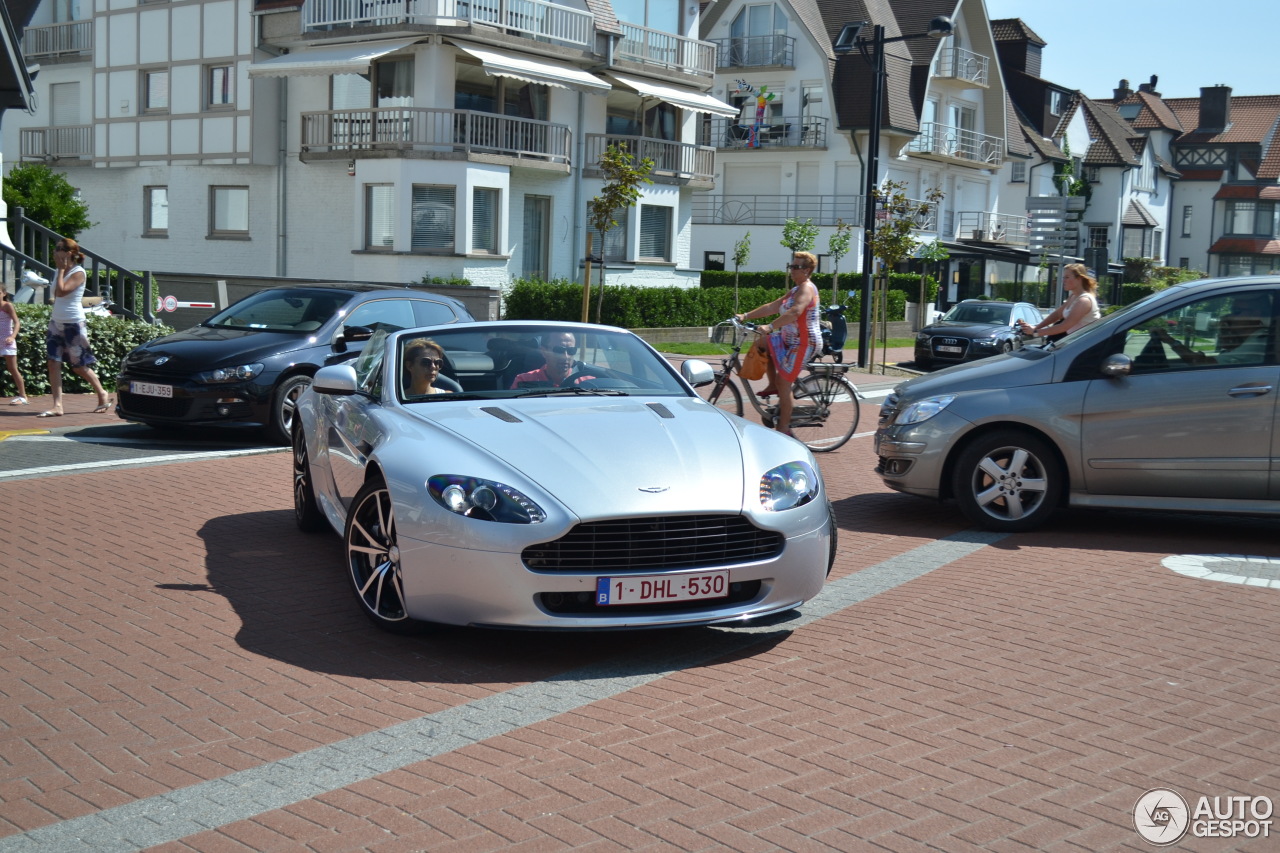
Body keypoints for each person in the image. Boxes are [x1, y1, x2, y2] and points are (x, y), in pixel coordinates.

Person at [734, 250, 821, 437]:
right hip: (788, 338)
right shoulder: (795, 290)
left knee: (785, 382)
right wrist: (745, 316)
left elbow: (796, 311)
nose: (792, 270)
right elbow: (773, 306)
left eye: (796, 267)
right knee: (762, 343)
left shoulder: (807, 288)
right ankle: (772, 384)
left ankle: (784, 429)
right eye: (791, 266)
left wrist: (771, 326)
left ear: (807, 270)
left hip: (804, 342)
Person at [39, 238, 111, 417]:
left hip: (74, 323)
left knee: (78, 366)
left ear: (69, 253)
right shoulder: (59, 270)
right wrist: (60, 270)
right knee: (53, 363)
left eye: (58, 249)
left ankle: (102, 393)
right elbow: (56, 293)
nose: (55, 252)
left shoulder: (78, 273)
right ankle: (57, 406)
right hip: (56, 321)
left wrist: (62, 270)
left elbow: (61, 292)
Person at [1019, 263, 1101, 342]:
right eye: (1063, 278)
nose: (1063, 281)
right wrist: (1035, 328)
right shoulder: (1073, 296)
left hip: (1082, 346)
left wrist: (1036, 333)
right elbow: (1058, 314)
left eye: (1067, 277)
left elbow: (1064, 326)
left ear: (1079, 278)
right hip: (1073, 342)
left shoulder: (1084, 301)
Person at [510, 331, 587, 388]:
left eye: (571, 350)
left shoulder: (588, 382)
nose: (566, 356)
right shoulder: (524, 381)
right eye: (559, 350)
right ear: (544, 352)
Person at [1, 282, 29, 405]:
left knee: (12, 368)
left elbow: (17, 323)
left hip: (7, 341)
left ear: (4, 293)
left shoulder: (8, 306)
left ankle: (23, 396)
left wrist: (12, 336)